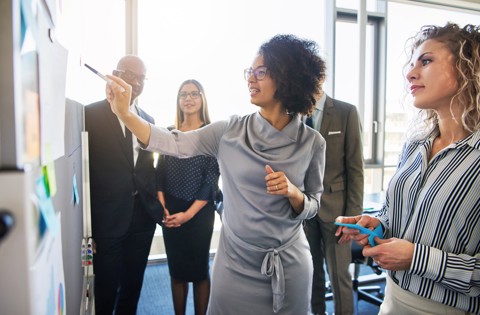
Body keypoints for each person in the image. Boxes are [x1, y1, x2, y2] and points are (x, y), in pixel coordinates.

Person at [106, 34, 326, 315]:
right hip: (235, 264)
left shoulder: (313, 142)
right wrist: (125, 115)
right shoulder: (228, 131)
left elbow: (313, 206)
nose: (251, 79)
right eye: (250, 72)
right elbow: (173, 142)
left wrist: (294, 193)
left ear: (287, 77)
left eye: (261, 72)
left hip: (289, 264)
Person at [336, 23, 480, 314]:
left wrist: (417, 258)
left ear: (468, 68)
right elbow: (394, 213)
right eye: (412, 64)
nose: (410, 73)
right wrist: (378, 224)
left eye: (426, 61)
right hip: (392, 298)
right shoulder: (415, 145)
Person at [85, 55, 163, 315]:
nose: (136, 82)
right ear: (115, 74)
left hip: (142, 216)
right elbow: (84, 172)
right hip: (108, 219)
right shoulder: (90, 114)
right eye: (130, 75)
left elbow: (146, 166)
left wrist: (156, 203)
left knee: (133, 287)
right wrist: (88, 226)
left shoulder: (147, 118)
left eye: (141, 78)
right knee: (106, 289)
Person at [157, 79, 220, 315]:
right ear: (178, 99)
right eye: (183, 94)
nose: (188, 98)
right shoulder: (169, 132)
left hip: (200, 212)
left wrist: (188, 215)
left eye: (194, 93)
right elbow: (159, 173)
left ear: (202, 98)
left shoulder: (211, 133)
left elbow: (211, 180)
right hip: (171, 210)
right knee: (177, 270)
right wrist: (162, 207)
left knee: (200, 271)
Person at [304, 93, 364, 315]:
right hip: (305, 211)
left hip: (338, 212)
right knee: (311, 275)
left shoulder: (345, 112)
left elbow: (356, 170)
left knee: (340, 277)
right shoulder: (293, 112)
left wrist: (353, 219)